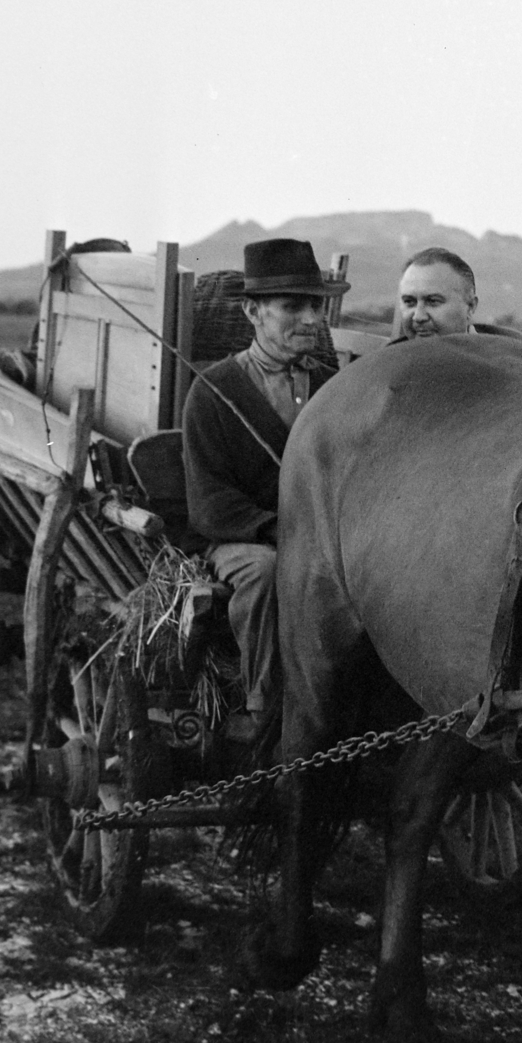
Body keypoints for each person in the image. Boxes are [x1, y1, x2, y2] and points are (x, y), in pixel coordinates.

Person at [181, 238, 348, 731]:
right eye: (292, 307)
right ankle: (268, 709)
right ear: (252, 311)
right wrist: (277, 530)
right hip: (246, 543)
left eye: (316, 306)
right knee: (269, 574)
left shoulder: (333, 388)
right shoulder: (213, 391)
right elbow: (209, 504)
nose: (312, 320)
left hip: (325, 539)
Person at [391, 246, 522, 341]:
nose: (418, 316)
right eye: (409, 302)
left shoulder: (514, 361)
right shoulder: (384, 367)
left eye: (433, 301)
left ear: (470, 306)